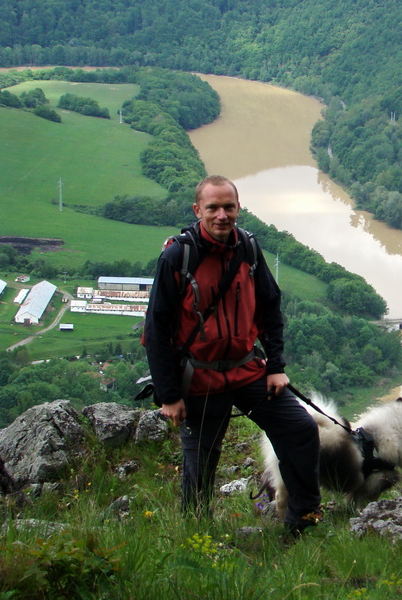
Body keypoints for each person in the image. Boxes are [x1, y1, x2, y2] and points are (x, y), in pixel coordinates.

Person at [144, 175, 322, 537]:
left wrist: (275, 367)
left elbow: (271, 309)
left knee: (300, 429)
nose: (222, 215)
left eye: (229, 207)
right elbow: (157, 329)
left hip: (246, 370)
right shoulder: (179, 256)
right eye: (213, 208)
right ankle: (195, 534)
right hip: (200, 378)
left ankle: (302, 520)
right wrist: (169, 395)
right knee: (201, 461)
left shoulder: (248, 250)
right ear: (198, 210)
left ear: (238, 208)